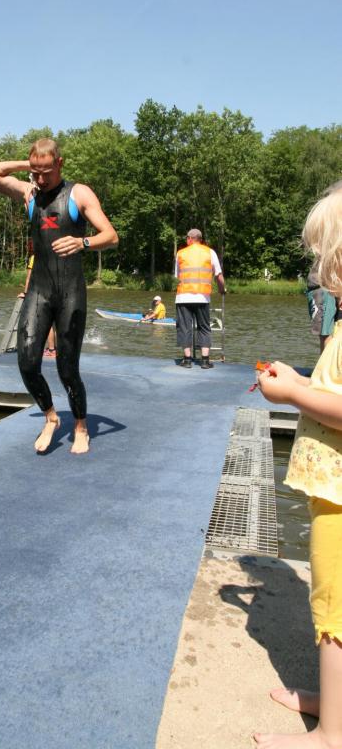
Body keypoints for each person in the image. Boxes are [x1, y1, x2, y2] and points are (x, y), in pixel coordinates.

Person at [254, 182, 342, 748]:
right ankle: (333, 699)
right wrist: (300, 380)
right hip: (331, 493)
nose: (319, 268)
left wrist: (290, 396)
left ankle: (331, 733)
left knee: (334, 613)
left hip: (340, 500)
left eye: (324, 254)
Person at [0, 137, 118, 454]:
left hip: (70, 292)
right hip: (39, 291)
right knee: (27, 363)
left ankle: (81, 426)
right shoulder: (29, 193)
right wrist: (26, 166)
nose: (40, 179)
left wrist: (82, 242)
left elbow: (111, 236)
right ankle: (51, 417)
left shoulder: (78, 194)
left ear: (60, 164)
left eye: (46, 172)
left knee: (67, 369)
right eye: (36, 172)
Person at [174, 228, 225, 369]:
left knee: (185, 328)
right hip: (202, 297)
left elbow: (177, 276)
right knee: (204, 328)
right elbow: (218, 275)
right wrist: (222, 289)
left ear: (189, 239)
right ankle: (205, 361)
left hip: (183, 297)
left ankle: (187, 360)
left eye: (187, 238)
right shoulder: (210, 252)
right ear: (200, 239)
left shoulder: (181, 253)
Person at [19, 245, 56, 358]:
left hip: (43, 293)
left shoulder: (34, 258)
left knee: (47, 322)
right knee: (54, 323)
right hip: (55, 292)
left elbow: (29, 278)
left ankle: (51, 350)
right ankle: (54, 349)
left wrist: (25, 293)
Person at [306, 259, 337, 353]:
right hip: (322, 291)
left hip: (325, 290)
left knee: (327, 333)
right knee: (326, 333)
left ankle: (327, 361)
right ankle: (326, 361)